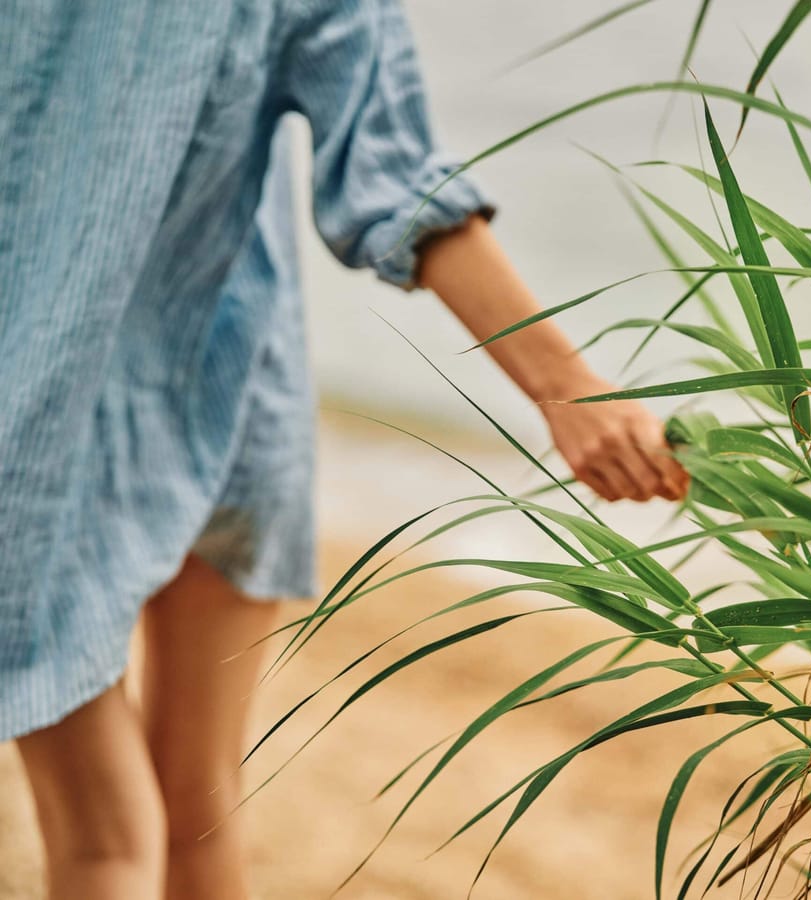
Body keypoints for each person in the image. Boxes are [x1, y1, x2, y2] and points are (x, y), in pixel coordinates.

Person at [0, 2, 689, 898]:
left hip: (54, 405)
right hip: (222, 378)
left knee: (115, 838)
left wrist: (567, 390)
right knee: (186, 813)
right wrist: (565, 386)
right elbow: (392, 174)